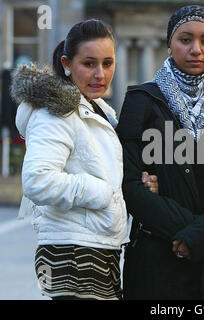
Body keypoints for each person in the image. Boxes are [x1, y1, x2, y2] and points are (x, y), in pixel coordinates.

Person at [116, 5, 204, 300]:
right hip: (159, 256)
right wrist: (194, 233)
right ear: (169, 44)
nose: (196, 49)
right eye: (185, 40)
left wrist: (200, 236)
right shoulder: (140, 101)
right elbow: (129, 184)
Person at [11, 19, 133, 300]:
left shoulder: (96, 109)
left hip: (96, 246)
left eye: (107, 63)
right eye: (89, 64)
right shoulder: (57, 113)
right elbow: (37, 181)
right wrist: (101, 192)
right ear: (67, 63)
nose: (100, 74)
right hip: (73, 251)